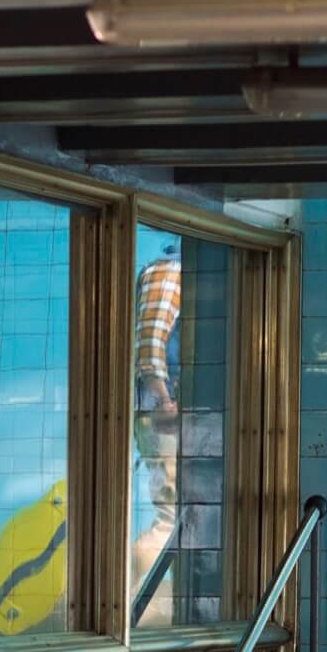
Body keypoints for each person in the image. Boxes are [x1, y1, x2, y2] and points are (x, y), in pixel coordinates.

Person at [132, 238, 181, 568]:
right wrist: (163, 401)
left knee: (178, 515)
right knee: (171, 518)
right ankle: (130, 603)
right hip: (165, 414)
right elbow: (149, 347)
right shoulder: (170, 273)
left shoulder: (173, 272)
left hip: (166, 412)